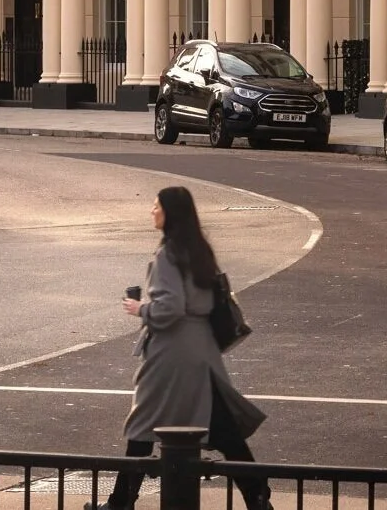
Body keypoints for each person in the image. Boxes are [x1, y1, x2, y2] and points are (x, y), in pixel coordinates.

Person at [87, 185, 271, 510]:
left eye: (156, 206)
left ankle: (121, 503)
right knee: (221, 426)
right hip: (201, 349)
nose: (152, 211)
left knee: (143, 426)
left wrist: (140, 308)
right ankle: (257, 496)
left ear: (169, 213)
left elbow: (170, 307)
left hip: (171, 353)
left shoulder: (167, 254)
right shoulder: (199, 249)